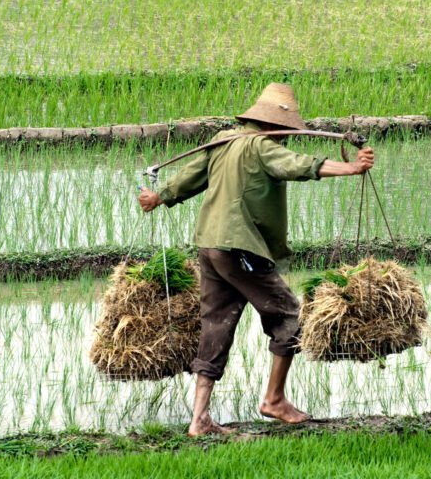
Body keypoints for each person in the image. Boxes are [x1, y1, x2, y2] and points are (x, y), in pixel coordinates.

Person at [137, 82, 375, 436]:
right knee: (290, 317)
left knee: (215, 324)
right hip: (241, 248)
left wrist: (159, 197)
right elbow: (298, 165)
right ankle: (274, 400)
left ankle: (199, 419)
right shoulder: (263, 146)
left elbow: (189, 177)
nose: (287, 139)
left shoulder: (224, 140)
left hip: (211, 246)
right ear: (275, 127)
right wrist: (351, 169)